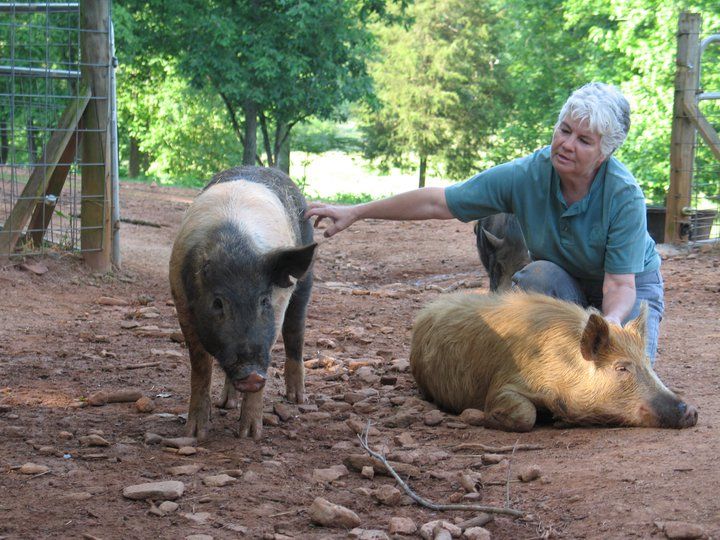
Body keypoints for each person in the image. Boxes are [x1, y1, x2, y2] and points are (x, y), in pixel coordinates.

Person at [305, 82, 664, 363]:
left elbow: (620, 285)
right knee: (536, 279)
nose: (567, 144)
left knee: (623, 384)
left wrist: (611, 323)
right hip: (563, 283)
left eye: (584, 140)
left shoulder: (623, 195)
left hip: (626, 293)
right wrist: (356, 211)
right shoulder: (526, 175)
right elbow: (437, 202)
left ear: (605, 153)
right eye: (564, 130)